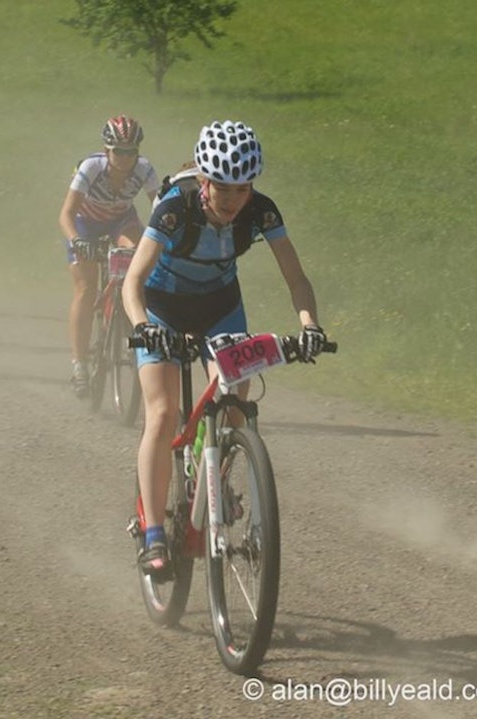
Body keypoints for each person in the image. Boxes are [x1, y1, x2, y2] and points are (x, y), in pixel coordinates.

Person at [121, 120, 329, 577]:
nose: (234, 200)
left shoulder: (262, 211)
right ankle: (153, 533)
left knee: (237, 400)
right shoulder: (174, 210)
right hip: (161, 308)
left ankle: (212, 465)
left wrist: (309, 325)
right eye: (223, 188)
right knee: (161, 411)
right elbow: (133, 280)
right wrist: (143, 326)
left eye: (242, 188)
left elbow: (296, 278)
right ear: (203, 180)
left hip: (220, 308)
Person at [58, 115, 160, 397]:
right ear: (106, 150)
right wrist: (77, 241)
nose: (125, 158)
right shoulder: (91, 167)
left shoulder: (144, 168)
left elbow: (159, 206)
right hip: (84, 225)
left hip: (121, 221)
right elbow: (66, 214)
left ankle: (130, 310)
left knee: (140, 259)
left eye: (131, 151)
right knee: (86, 288)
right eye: (118, 151)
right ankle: (80, 363)